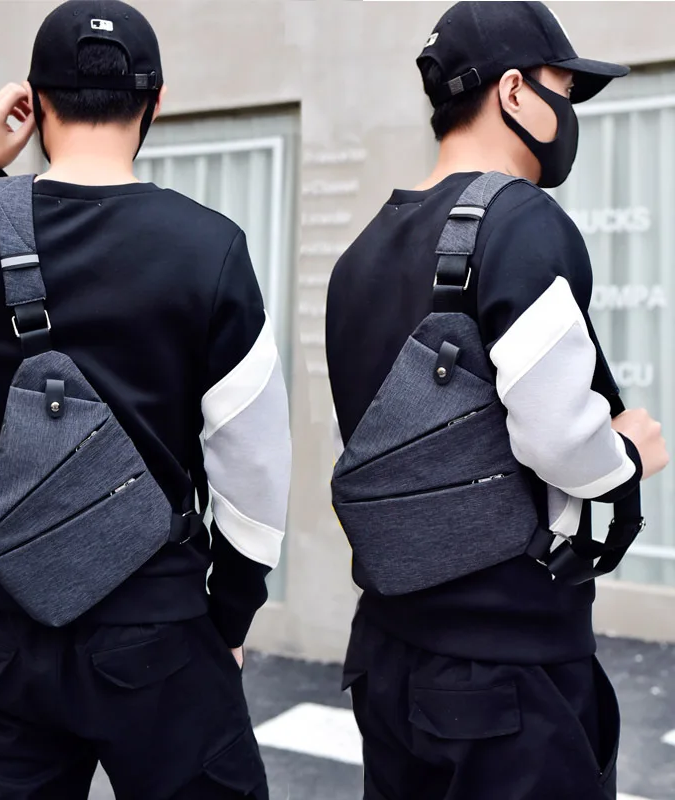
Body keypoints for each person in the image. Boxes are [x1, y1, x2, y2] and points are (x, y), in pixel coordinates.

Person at [0, 1, 291, 798]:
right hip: (157, 630)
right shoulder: (209, 245)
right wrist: (227, 619)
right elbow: (255, 464)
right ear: (156, 102)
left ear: (34, 103)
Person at [326, 3, 668, 799]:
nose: (568, 114)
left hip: (386, 652)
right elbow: (558, 436)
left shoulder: (359, 255)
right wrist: (627, 453)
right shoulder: (521, 222)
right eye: (563, 90)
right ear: (514, 91)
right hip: (507, 672)